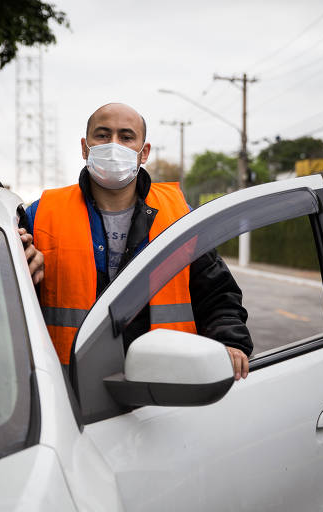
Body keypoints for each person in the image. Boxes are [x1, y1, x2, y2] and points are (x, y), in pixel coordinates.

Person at [20, 103, 251, 379]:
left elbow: (217, 293)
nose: (114, 145)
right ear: (85, 148)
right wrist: (24, 266)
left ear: (144, 152)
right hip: (69, 392)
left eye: (126, 137)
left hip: (163, 388)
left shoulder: (178, 215)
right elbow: (11, 302)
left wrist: (231, 342)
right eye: (103, 135)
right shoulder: (41, 214)